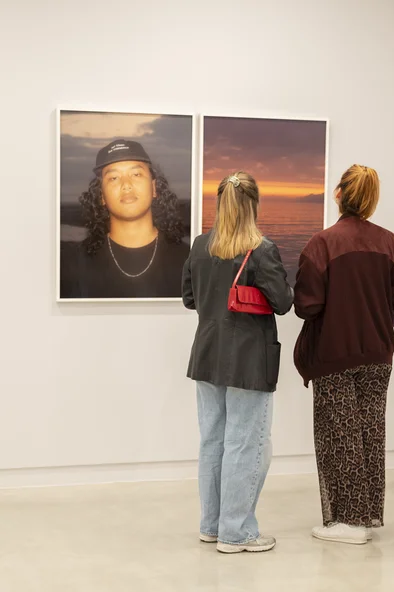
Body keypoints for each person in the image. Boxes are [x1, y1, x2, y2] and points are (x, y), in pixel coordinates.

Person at [294, 165, 394, 545]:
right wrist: (377, 322)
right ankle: (367, 517)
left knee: (339, 435)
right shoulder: (391, 244)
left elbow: (306, 306)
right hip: (379, 354)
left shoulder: (322, 244)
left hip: (335, 353)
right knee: (370, 433)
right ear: (372, 199)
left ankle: (348, 523)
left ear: (338, 194)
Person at [182, 171, 293, 554]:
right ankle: (237, 533)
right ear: (254, 204)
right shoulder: (262, 250)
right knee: (246, 445)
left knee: (213, 441)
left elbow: (189, 299)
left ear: (221, 202)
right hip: (248, 362)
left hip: (207, 356)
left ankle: (212, 526)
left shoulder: (200, 245)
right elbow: (283, 302)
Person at [60, 139, 189, 298]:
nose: (126, 185)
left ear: (154, 188)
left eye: (136, 174)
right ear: (102, 196)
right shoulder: (71, 265)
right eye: (114, 178)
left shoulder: (189, 261)